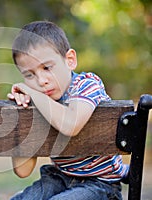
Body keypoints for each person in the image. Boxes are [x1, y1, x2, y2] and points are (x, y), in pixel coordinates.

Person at [7, 21, 129, 200]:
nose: (41, 81)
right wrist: (23, 113)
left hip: (101, 184)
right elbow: (23, 170)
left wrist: (32, 92)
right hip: (58, 179)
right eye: (29, 75)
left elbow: (70, 124)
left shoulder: (87, 84)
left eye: (47, 68)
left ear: (70, 60)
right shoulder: (39, 101)